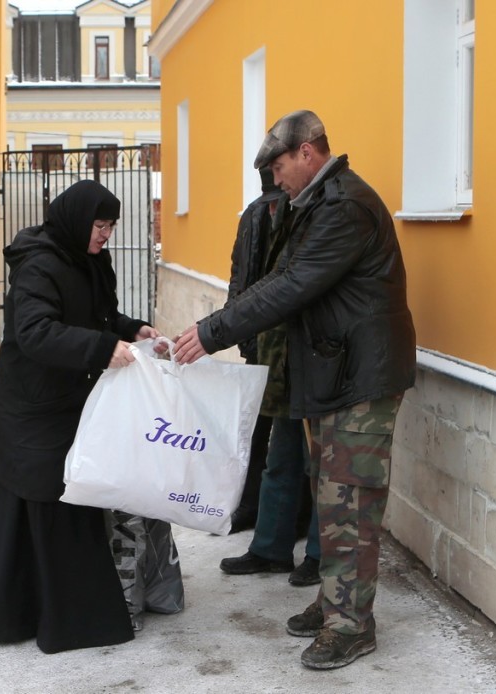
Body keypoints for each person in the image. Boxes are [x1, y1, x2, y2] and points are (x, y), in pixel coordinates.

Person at [174, 110, 416, 669]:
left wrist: (211, 333)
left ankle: (351, 625)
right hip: (337, 371)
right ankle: (337, 602)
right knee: (333, 498)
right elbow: (281, 281)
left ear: (308, 153)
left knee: (350, 502)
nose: (276, 180)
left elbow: (292, 284)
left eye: (280, 167)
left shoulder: (344, 207)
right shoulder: (317, 202)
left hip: (360, 376)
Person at [0, 179, 159, 654]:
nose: (105, 235)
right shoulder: (39, 264)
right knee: (41, 496)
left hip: (70, 399)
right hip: (32, 405)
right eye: (100, 225)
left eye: (112, 226)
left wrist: (130, 329)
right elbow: (36, 332)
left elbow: (98, 317)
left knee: (69, 497)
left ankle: (73, 614)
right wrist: (102, 348)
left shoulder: (92, 260)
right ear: (78, 220)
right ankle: (30, 615)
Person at [219, 174, 321, 587]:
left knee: (320, 467)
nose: (278, 205)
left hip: (314, 363)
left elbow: (288, 289)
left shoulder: (318, 219)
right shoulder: (257, 216)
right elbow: (242, 277)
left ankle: (318, 555)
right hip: (275, 357)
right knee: (279, 459)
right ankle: (270, 549)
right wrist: (241, 335)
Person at [223, 168, 279, 533]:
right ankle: (249, 504)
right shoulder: (252, 218)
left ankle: (291, 515)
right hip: (258, 338)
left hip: (286, 342)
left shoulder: (298, 216)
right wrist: (237, 328)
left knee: (287, 438)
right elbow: (239, 276)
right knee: (255, 429)